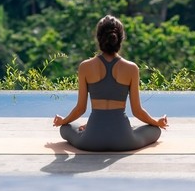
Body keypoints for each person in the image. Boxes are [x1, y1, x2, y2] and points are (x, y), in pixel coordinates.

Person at [53, 14, 168, 151]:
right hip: (124, 141)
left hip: (91, 141)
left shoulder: (85, 66)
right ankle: (125, 129)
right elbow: (137, 111)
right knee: (155, 130)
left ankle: (91, 127)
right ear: (120, 39)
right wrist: (156, 122)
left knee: (65, 128)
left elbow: (80, 109)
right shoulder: (132, 68)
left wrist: (63, 121)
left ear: (98, 38)